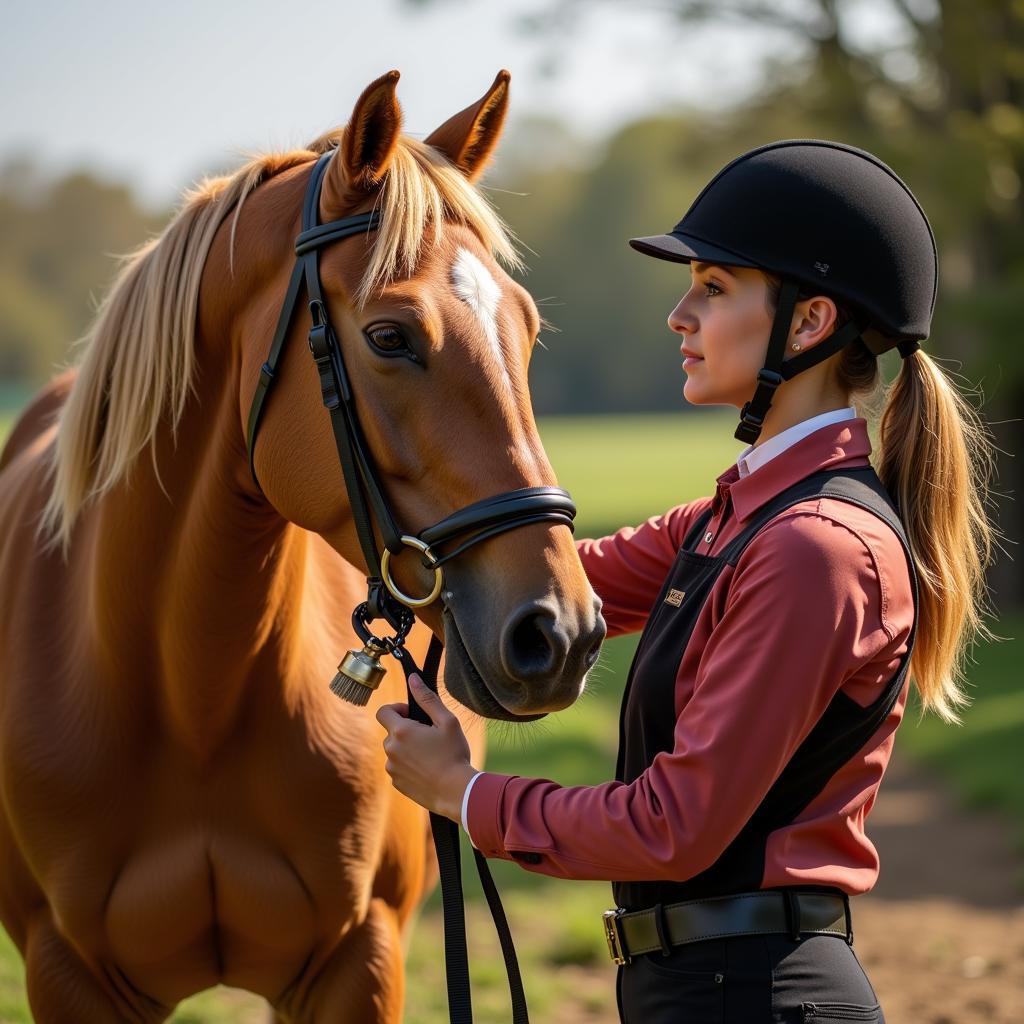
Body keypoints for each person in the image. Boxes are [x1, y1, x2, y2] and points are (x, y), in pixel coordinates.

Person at [376, 139, 999, 1023]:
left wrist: (462, 793)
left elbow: (672, 824)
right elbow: (546, 587)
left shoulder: (812, 548)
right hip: (700, 989)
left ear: (809, 323)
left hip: (755, 997)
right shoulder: (731, 517)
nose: (679, 314)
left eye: (712, 287)